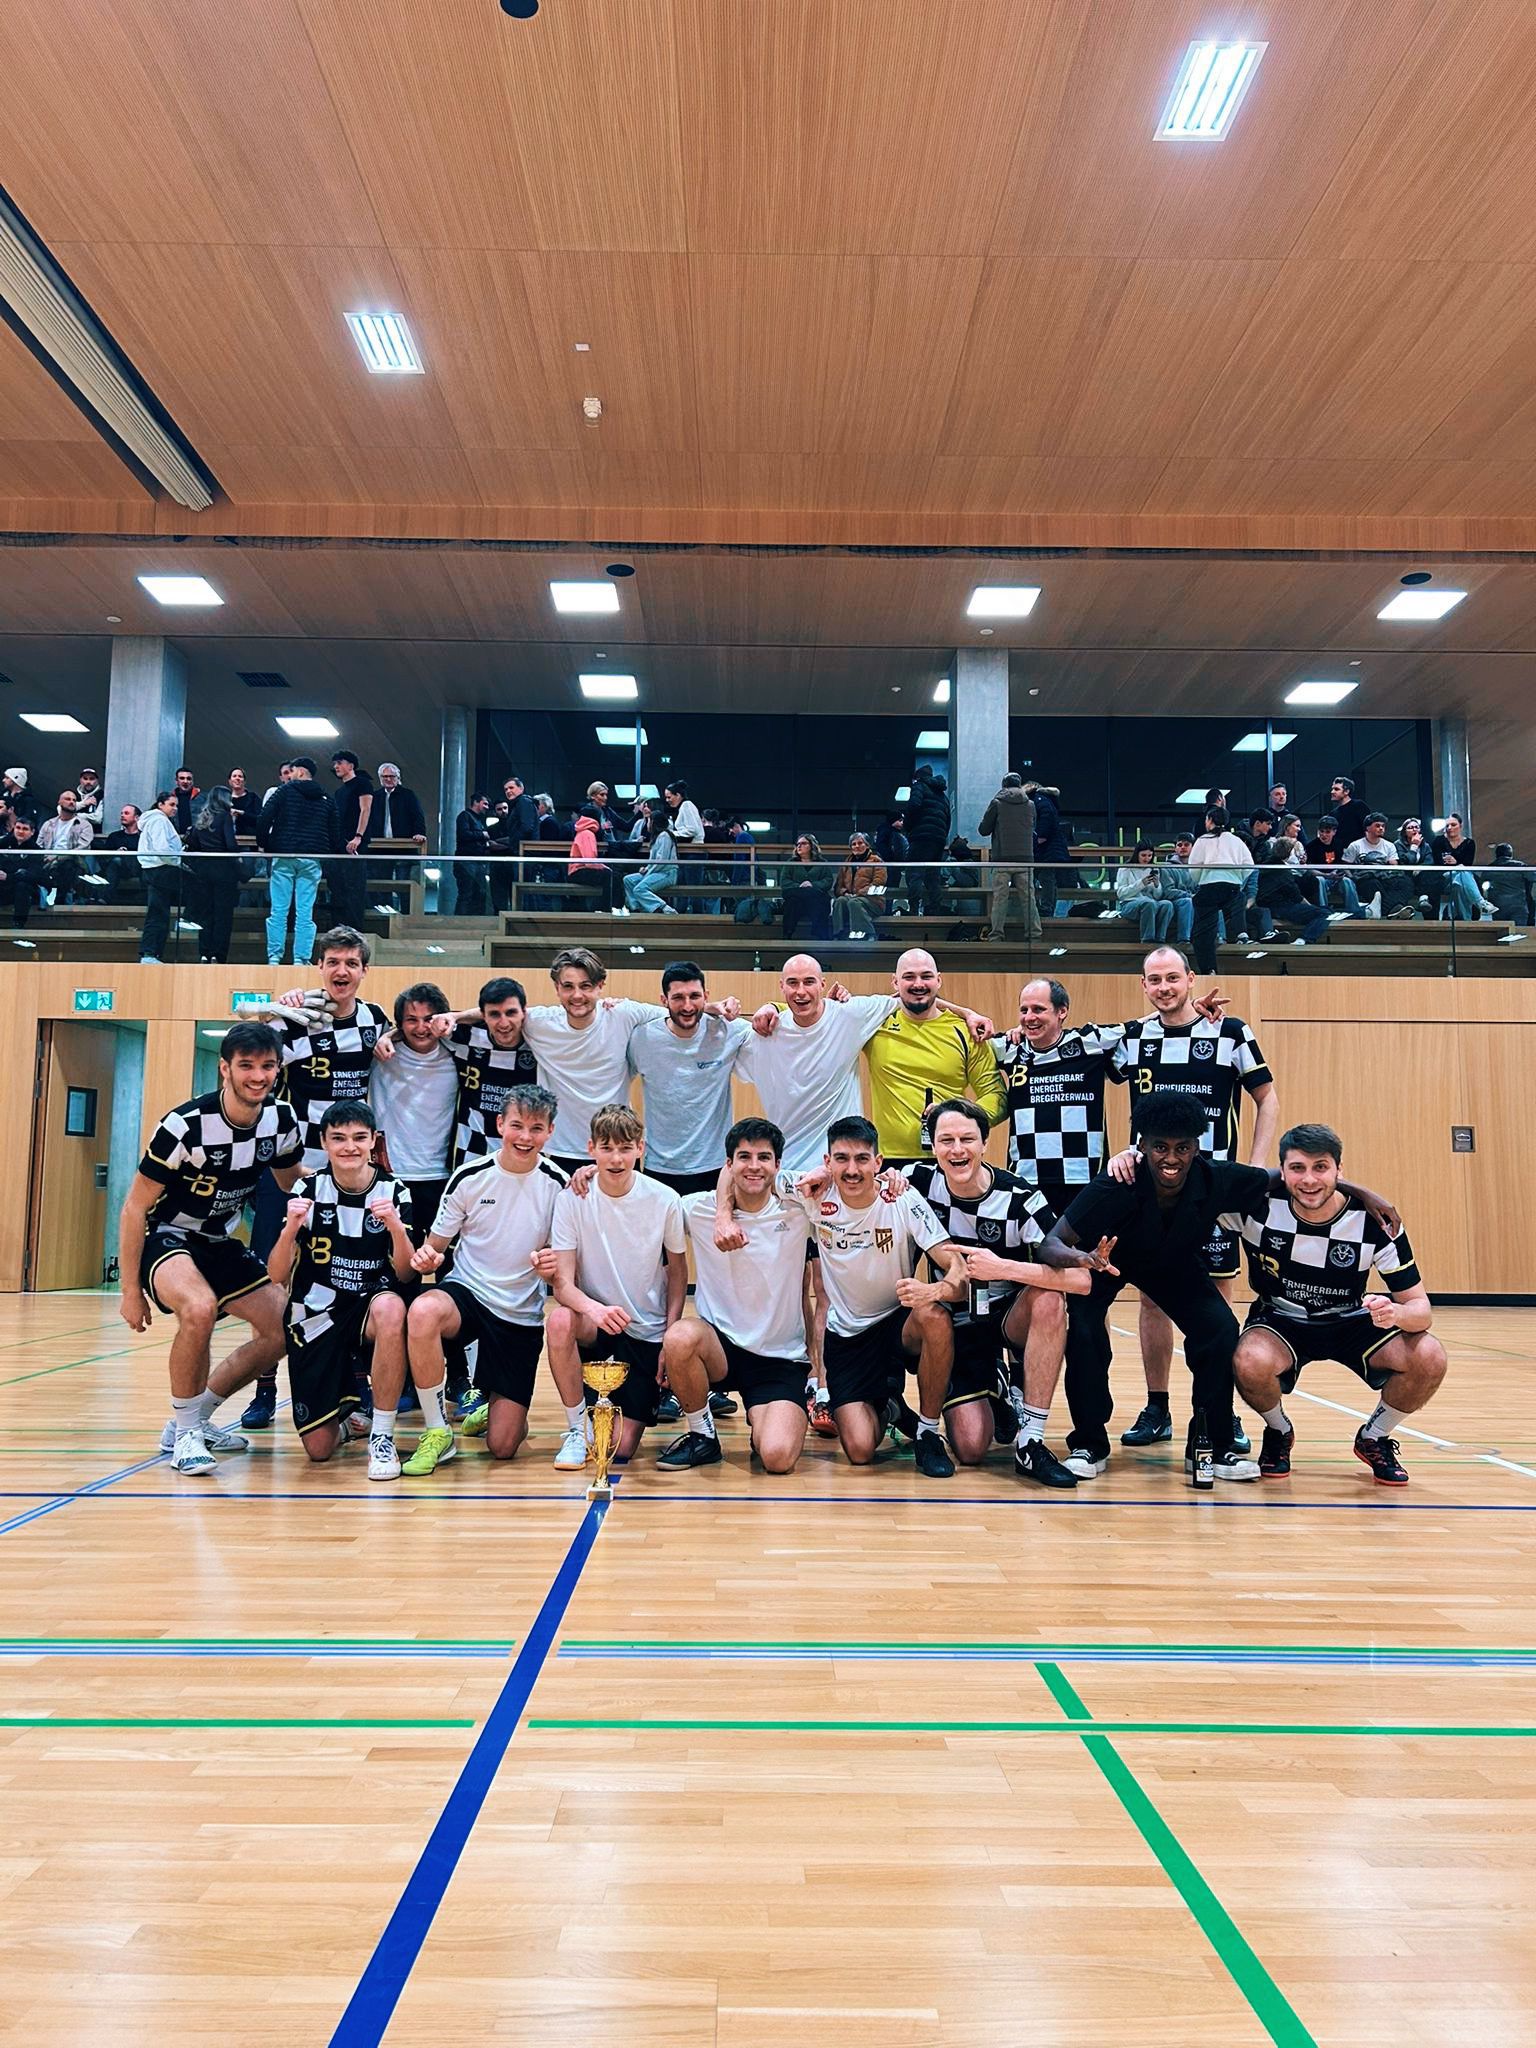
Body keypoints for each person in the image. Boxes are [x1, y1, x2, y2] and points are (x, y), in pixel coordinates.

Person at [1039, 1091, 1260, 1484]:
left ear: (1196, 1148)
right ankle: (1089, 1443)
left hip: (1173, 1264)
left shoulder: (1217, 1178)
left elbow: (1286, 1179)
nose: (1171, 1158)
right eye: (1160, 1147)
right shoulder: (1115, 1183)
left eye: (1182, 1148)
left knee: (1220, 1328)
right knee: (1084, 1330)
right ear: (1141, 1146)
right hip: (1104, 1262)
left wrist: (1361, 1193)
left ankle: (1211, 1445)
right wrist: (1082, 1259)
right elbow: (1050, 1243)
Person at [117, 1022, 303, 1475]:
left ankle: (196, 1418)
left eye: (267, 1066)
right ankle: (185, 1436)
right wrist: (129, 1291)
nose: (257, 1076)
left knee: (283, 1327)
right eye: (246, 1066)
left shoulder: (280, 1120)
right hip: (168, 1235)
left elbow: (292, 1183)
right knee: (198, 1309)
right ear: (225, 1068)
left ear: (278, 1069)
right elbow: (134, 1207)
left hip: (219, 1240)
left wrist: (350, 1181)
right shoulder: (185, 1125)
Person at [1111, 947, 1277, 1453]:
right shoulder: (1134, 1037)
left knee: (1218, 1302)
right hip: (1150, 1194)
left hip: (1213, 1192)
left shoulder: (1230, 1032)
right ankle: (1157, 1407)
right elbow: (1075, 1052)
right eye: (1154, 980)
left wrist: (1253, 1169)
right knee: (1152, 1299)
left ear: (1191, 978)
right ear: (1143, 986)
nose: (1164, 987)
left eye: (1172, 978)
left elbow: (1267, 1098)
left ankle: (1220, 1411)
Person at [1229, 1122, 1442, 1486]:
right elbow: (1199, 1190)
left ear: (1339, 1170)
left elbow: (1421, 1311)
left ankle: (1374, 1437)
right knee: (1248, 1360)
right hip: (1281, 1318)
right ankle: (1278, 1431)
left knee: (1429, 1355)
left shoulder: (1376, 1221)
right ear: (1282, 1171)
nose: (1309, 1179)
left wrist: (1396, 1313)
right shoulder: (1255, 1207)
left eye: (1321, 1167)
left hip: (1351, 1319)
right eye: (1298, 1168)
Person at [239, 928, 393, 1426]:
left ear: (364, 970)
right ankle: (264, 1389)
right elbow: (252, 1044)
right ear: (319, 966)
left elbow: (400, 1036)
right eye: (332, 962)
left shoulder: (375, 1020)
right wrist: (275, 1009)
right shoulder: (296, 1017)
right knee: (273, 1280)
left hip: (346, 1168)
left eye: (351, 962)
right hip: (289, 1165)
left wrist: (387, 1039)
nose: (341, 971)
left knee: (351, 1276)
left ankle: (355, 1386)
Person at [405, 1085, 591, 1476]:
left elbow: (564, 1264)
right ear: (500, 1124)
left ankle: (496, 1410)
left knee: (503, 1446)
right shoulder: (469, 1177)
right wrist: (427, 1257)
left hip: (518, 1313)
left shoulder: (559, 1185)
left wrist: (550, 1266)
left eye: (536, 1128)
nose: (525, 1137)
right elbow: (434, 1248)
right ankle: (438, 1431)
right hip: (468, 1294)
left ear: (550, 1131)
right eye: (517, 1126)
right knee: (422, 1311)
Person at [908, 1099, 1088, 1486]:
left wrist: (1002, 1268)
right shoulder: (917, 1182)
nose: (957, 1149)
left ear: (985, 1143)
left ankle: (1031, 1441)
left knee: (1050, 1298)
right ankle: (999, 1387)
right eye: (946, 1140)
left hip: (1008, 1318)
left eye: (967, 1139)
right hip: (958, 1322)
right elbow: (857, 1174)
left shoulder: (1020, 1197)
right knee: (971, 1447)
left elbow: (1081, 1281)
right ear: (933, 1146)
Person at [770, 1115, 963, 1475]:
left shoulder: (902, 1198)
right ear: (827, 1161)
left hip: (897, 1324)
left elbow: (958, 1269)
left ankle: (927, 1432)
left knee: (934, 1316)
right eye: (841, 1159)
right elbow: (748, 1175)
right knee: (860, 1451)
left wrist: (934, 1289)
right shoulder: (813, 1193)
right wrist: (724, 1214)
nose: (852, 1169)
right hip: (848, 1335)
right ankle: (889, 1406)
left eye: (862, 1159)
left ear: (878, 1162)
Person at [265, 1101, 414, 1480]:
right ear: (324, 1142)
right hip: (315, 1312)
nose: (350, 1147)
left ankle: (382, 1435)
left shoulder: (394, 1190)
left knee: (392, 1309)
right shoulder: (307, 1189)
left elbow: (405, 1273)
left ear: (373, 1140)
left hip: (368, 1306)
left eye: (359, 1138)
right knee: (318, 1450)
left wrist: (396, 1228)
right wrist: (290, 1228)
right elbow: (276, 1273)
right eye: (339, 1138)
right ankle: (349, 1423)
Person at [738, 951, 990, 1173]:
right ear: (782, 986)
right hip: (801, 1166)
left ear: (822, 984)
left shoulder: (851, 1016)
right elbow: (798, 1011)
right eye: (793, 983)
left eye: (809, 982)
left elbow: (915, 998)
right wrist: (770, 1006)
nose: (801, 991)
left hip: (853, 1163)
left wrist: (967, 1012)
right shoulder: (767, 1032)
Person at [658, 1117, 812, 1473]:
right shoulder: (697, 1209)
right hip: (720, 1349)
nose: (754, 1166)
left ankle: (763, 1423)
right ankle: (703, 1436)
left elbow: (842, 1180)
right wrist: (593, 1174)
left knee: (777, 1458)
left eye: (764, 1157)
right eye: (744, 1157)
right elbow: (643, 1201)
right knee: (679, 1337)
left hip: (779, 1358)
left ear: (778, 1165)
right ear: (728, 1165)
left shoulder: (800, 1211)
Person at [549, 1103, 689, 1467]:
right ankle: (576, 1429)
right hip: (594, 1322)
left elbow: (678, 1273)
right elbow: (562, 1284)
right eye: (607, 1147)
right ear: (591, 1148)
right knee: (559, 1320)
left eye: (625, 1148)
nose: (616, 1158)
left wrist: (669, 1338)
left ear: (640, 1149)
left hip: (645, 1330)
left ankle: (619, 1404)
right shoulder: (571, 1199)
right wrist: (595, 1309)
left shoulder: (665, 1199)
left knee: (619, 1449)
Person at [859, 948, 1002, 1165]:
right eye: (909, 977)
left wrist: (958, 1116)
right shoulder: (875, 1025)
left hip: (952, 1157)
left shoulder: (967, 1032)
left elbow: (996, 1095)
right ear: (895, 982)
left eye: (926, 976)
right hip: (889, 1163)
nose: (918, 984)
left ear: (939, 980)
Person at [625, 962, 750, 1195]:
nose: (688, 1006)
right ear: (664, 1000)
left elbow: (776, 1023)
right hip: (659, 1166)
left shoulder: (728, 1030)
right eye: (678, 998)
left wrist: (773, 1007)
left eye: (694, 996)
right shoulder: (642, 1038)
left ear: (706, 996)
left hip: (715, 1165)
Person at [416, 976, 541, 1165]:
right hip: (472, 1157)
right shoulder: (465, 1037)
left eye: (511, 1013)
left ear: (524, 1012)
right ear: (483, 1015)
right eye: (494, 1015)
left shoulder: (541, 1041)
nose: (504, 1023)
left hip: (526, 1155)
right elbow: (413, 1030)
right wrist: (388, 1037)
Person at [370, 981, 459, 1234]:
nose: (421, 1028)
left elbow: (486, 1014)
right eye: (411, 1020)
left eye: (428, 1019)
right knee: (392, 1256)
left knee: (435, 1254)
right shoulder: (379, 1053)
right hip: (388, 1175)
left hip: (440, 1176)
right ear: (400, 1024)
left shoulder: (457, 1055)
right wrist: (388, 1036)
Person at [257, 756, 337, 966]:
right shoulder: (326, 797)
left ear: (300, 772)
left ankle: (274, 957)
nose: (289, 776)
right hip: (311, 858)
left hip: (285, 855)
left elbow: (264, 817)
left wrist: (265, 844)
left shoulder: (284, 791)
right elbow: (335, 831)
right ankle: (301, 958)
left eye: (291, 772)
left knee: (279, 910)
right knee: (305, 912)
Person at [1186, 805, 1252, 975]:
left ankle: (1209, 969)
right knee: (1238, 900)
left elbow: (1194, 868)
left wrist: (1201, 880)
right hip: (1232, 888)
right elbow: (1249, 865)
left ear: (1209, 820)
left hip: (1209, 888)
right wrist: (1237, 879)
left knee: (1203, 933)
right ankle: (1241, 933)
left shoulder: (1202, 841)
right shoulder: (1236, 840)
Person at [978, 772, 1041, 941]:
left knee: (1000, 899)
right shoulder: (1030, 805)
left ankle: (997, 936)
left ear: (1004, 785)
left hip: (1002, 858)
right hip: (1026, 859)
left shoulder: (997, 803)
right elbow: (1033, 826)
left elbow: (983, 830)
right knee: (1028, 899)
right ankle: (1034, 935)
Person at [185, 782, 240, 962]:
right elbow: (231, 846)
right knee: (222, 915)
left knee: (205, 914)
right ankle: (218, 954)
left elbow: (192, 844)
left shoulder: (201, 818)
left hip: (203, 872)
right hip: (223, 871)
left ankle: (204, 952)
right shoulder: (224, 817)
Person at [1252, 837, 1332, 947]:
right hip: (1280, 907)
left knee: (1325, 909)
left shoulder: (1266, 865)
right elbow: (1297, 897)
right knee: (1323, 913)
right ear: (1289, 853)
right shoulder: (1283, 872)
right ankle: (1304, 939)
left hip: (1269, 905)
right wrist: (1311, 907)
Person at [327, 751, 374, 929]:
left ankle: (354, 928)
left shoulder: (362, 784)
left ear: (351, 765)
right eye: (335, 763)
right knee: (338, 887)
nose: (336, 766)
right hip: (340, 843)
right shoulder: (340, 791)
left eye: (340, 763)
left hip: (354, 842)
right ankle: (339, 927)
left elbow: (365, 809)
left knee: (354, 887)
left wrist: (358, 836)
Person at [136, 790, 184, 963]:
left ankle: (152, 953)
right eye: (171, 804)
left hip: (156, 869)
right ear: (160, 804)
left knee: (159, 913)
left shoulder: (157, 820)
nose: (175, 808)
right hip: (160, 870)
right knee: (158, 913)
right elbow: (162, 849)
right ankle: (149, 953)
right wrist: (178, 860)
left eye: (176, 805)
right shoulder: (159, 821)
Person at [904, 763, 951, 915]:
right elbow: (948, 819)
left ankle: (913, 909)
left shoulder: (919, 786)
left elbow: (913, 806)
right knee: (933, 876)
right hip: (938, 840)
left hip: (921, 837)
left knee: (914, 872)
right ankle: (934, 909)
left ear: (917, 777)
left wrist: (908, 827)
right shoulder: (943, 796)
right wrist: (941, 836)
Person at [488, 775, 540, 913]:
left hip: (525, 854)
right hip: (523, 853)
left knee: (524, 893)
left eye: (511, 787)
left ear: (521, 788)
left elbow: (526, 828)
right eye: (506, 789)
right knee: (524, 893)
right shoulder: (520, 804)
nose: (508, 791)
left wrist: (510, 842)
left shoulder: (523, 802)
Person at [1112, 841, 1174, 944]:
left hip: (1151, 902)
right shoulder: (1125, 869)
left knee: (1167, 904)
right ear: (1137, 854)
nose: (1147, 859)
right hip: (1129, 904)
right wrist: (1140, 884)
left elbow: (1158, 896)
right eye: (1143, 855)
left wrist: (1157, 885)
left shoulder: (1153, 868)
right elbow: (1121, 894)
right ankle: (1147, 940)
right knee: (1149, 904)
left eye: (1150, 855)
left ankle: (1160, 939)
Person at [38, 788, 93, 902]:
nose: (72, 802)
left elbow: (82, 848)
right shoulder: (48, 824)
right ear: (59, 802)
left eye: (74, 800)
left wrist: (56, 858)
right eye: (68, 799)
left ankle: (58, 899)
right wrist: (47, 858)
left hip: (74, 862)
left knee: (67, 865)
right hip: (47, 861)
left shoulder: (85, 825)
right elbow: (39, 845)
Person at [1026, 779, 1070, 920]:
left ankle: (1045, 909)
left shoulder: (1039, 800)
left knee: (1045, 877)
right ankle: (1045, 908)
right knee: (1046, 878)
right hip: (1049, 847)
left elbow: (1046, 820)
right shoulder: (1045, 800)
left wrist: (1039, 837)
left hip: (1046, 847)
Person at [1303, 816, 1363, 919]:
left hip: (1336, 878)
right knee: (1320, 880)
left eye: (1327, 832)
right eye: (1321, 831)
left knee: (1347, 881)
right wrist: (1326, 875)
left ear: (1334, 832)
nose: (1324, 835)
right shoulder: (1311, 847)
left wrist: (1350, 876)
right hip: (1320, 877)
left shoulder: (1339, 844)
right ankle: (1323, 911)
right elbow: (1309, 869)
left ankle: (1355, 912)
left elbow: (1342, 864)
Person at [622, 807, 679, 915]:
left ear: (653, 822)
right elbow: (654, 862)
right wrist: (646, 869)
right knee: (628, 880)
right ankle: (637, 907)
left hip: (666, 873)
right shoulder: (657, 837)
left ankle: (665, 908)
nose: (647, 823)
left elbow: (661, 861)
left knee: (639, 889)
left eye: (648, 820)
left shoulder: (664, 836)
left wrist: (648, 873)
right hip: (656, 872)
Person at [1430, 813, 1487, 921]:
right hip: (1444, 877)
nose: (1449, 828)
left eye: (1453, 825)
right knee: (1462, 871)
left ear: (1460, 826)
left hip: (1461, 878)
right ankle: (1481, 902)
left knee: (1458, 885)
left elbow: (1468, 864)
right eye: (1447, 825)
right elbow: (1438, 862)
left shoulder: (1469, 843)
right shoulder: (1439, 841)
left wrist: (1456, 863)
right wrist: (1457, 865)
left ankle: (1461, 918)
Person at [830, 832, 886, 939]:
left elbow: (878, 883)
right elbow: (838, 886)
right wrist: (845, 893)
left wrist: (859, 893)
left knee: (854, 902)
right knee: (840, 901)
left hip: (873, 900)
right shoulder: (847, 863)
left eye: (860, 843)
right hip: (851, 898)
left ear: (867, 845)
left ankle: (867, 935)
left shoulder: (876, 861)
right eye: (854, 844)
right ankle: (839, 934)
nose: (857, 846)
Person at [1342, 812, 1399, 917]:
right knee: (1373, 883)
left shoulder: (1389, 845)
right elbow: (1345, 865)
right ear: (1368, 828)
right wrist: (1352, 878)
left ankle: (1389, 909)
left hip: (1384, 877)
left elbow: (1394, 865)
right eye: (1377, 826)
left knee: (1403, 882)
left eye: (1383, 826)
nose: (1381, 828)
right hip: (1365, 878)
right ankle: (1393, 910)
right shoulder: (1355, 845)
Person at [780, 834, 835, 940]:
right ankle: (788, 933)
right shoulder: (791, 863)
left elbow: (828, 880)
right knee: (793, 900)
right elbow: (785, 881)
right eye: (798, 844)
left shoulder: (822, 863)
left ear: (811, 845)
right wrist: (799, 886)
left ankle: (819, 932)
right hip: (797, 896)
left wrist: (812, 885)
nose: (799, 846)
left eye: (803, 843)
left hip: (815, 898)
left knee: (818, 899)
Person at [568, 804, 614, 912]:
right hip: (578, 871)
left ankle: (600, 908)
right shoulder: (588, 834)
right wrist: (604, 867)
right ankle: (605, 909)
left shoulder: (582, 831)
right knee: (609, 875)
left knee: (606, 874)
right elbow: (590, 861)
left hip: (575, 870)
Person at [453, 792, 493, 917]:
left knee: (478, 893)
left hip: (475, 862)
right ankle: (461, 922)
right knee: (467, 893)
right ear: (476, 802)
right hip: (467, 861)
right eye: (484, 804)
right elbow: (463, 835)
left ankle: (469, 920)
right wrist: (482, 835)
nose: (487, 807)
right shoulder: (465, 816)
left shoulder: (476, 819)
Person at [2, 816, 45, 926]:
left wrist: (8, 876)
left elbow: (33, 876)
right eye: (18, 828)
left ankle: (19, 924)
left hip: (25, 891)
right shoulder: (3, 844)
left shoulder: (36, 851)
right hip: (4, 887)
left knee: (22, 885)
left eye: (25, 829)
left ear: (32, 832)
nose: (20, 831)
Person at [373, 763, 427, 848]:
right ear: (380, 778)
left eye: (392, 776)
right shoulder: (375, 796)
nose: (388, 779)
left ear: (398, 778)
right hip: (378, 844)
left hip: (403, 844)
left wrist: (419, 833)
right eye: (385, 776)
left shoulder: (408, 795)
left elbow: (417, 816)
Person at [1159, 831, 1197, 944]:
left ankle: (1220, 939)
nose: (1183, 847)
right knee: (1187, 902)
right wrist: (1189, 895)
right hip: (1175, 902)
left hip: (1195, 900)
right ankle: (1184, 939)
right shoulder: (1166, 867)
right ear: (1175, 848)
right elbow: (1168, 891)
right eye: (1179, 845)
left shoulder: (1199, 866)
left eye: (1186, 845)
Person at [99, 804, 143, 902]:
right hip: (119, 869)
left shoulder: (143, 837)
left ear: (136, 817)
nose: (122, 815)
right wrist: (116, 853)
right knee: (116, 861)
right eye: (121, 813)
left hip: (138, 868)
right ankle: (105, 899)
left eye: (126, 813)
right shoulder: (114, 836)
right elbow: (104, 858)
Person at [1484, 843, 1534, 925]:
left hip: (1498, 906)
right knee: (1519, 931)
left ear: (1497, 855)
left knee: (1501, 931)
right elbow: (1533, 877)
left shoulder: (1490, 868)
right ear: (1511, 854)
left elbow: (1480, 883)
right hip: (1518, 906)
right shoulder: (1520, 866)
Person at [874, 812, 909, 913]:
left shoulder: (887, 832)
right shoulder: (890, 833)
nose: (902, 823)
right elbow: (885, 848)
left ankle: (887, 911)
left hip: (892, 866)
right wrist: (891, 858)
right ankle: (886, 912)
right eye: (900, 820)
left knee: (889, 892)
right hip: (891, 866)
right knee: (889, 891)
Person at [1329, 775, 1369, 849]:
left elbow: (1368, 828)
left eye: (1336, 789)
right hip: (1340, 851)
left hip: (1359, 850)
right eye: (1332, 789)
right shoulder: (1333, 814)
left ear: (1346, 791)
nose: (1332, 792)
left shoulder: (1359, 806)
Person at [226, 766, 261, 833]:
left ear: (244, 781)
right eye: (234, 776)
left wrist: (242, 813)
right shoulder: (225, 798)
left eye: (240, 776)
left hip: (250, 837)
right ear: (230, 781)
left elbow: (259, 818)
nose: (237, 778)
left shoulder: (253, 797)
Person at [172, 767, 198, 838]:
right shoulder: (170, 799)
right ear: (176, 781)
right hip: (176, 838)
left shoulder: (202, 798)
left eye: (189, 778)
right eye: (182, 778)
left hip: (196, 839)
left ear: (192, 781)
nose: (185, 781)